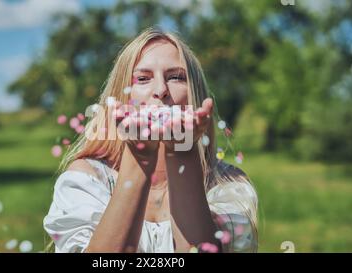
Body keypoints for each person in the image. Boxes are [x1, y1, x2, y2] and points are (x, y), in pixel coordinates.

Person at [44, 27, 258, 253]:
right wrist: (138, 157)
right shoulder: (89, 180)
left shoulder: (227, 186)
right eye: (143, 79)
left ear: (196, 94)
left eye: (176, 77)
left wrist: (181, 152)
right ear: (121, 98)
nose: (160, 90)